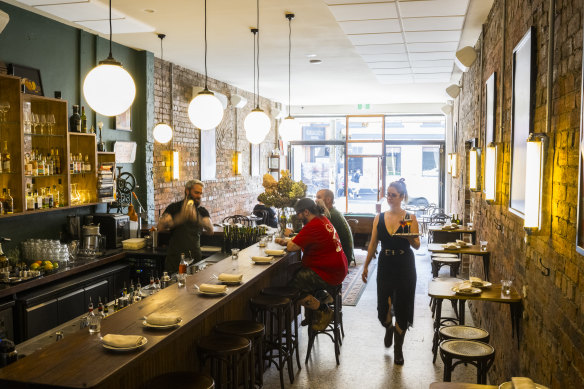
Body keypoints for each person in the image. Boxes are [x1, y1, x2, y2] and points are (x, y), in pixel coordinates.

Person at [361, 178, 420, 365]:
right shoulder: (379, 218)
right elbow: (373, 244)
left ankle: (398, 350)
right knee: (383, 308)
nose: (389, 198)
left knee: (402, 306)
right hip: (386, 264)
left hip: (405, 265)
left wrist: (410, 235)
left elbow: (417, 245)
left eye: (393, 195)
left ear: (402, 197)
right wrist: (366, 265)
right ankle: (388, 327)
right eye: (387, 194)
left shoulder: (410, 217)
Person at [275, 198, 348, 330]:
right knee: (299, 275)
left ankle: (324, 310)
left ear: (306, 212)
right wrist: (289, 241)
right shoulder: (322, 220)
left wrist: (289, 242)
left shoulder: (313, 226)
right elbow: (300, 241)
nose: (298, 217)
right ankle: (322, 297)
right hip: (337, 268)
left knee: (292, 290)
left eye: (299, 214)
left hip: (329, 273)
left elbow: (292, 247)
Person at [158, 180, 214, 273]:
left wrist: (197, 219)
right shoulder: (173, 208)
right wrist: (180, 218)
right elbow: (160, 227)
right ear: (187, 191)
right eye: (196, 192)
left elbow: (210, 230)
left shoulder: (202, 211)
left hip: (195, 259)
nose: (199, 196)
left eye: (200, 193)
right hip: (175, 259)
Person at [316, 189, 356, 267]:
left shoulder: (331, 215)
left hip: (342, 257)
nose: (316, 200)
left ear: (328, 199)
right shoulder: (332, 212)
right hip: (345, 253)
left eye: (318, 197)